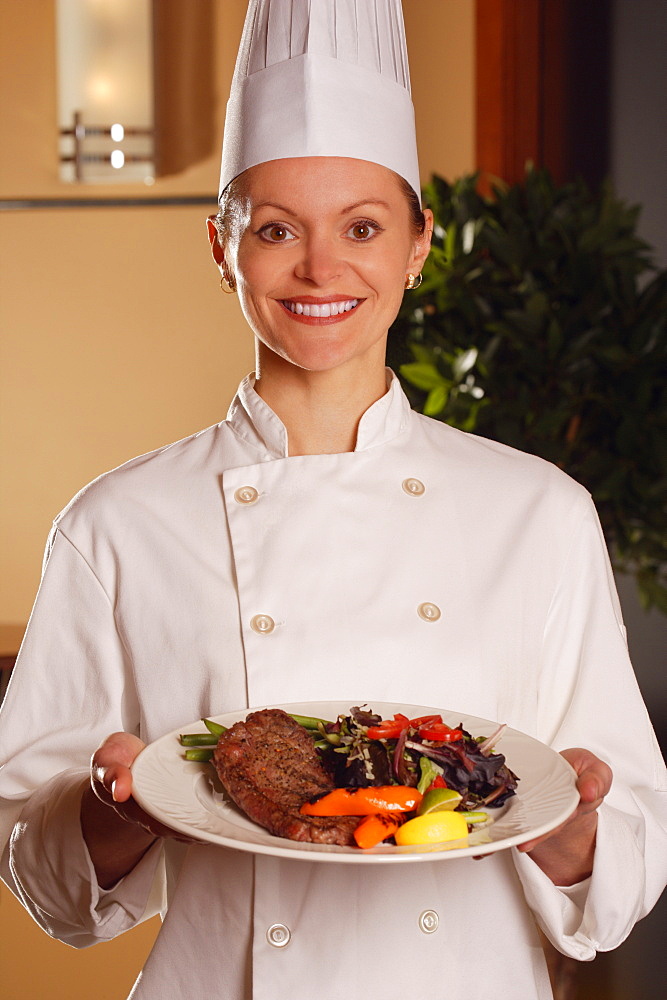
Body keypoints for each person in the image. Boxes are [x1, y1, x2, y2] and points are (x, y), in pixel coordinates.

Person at [1, 2, 666, 998]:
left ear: (416, 245)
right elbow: (45, 878)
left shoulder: (538, 512)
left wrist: (573, 829)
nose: (320, 268)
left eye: (362, 226)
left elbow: (620, 873)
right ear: (222, 247)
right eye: (276, 229)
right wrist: (117, 805)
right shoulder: (115, 523)